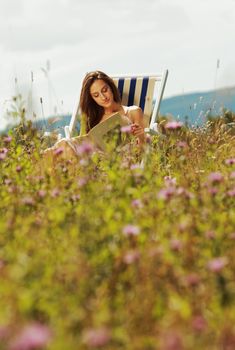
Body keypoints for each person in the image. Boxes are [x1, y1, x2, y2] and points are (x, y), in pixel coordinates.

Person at [43, 70, 146, 161]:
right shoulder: (93, 119)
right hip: (90, 161)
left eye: (105, 90)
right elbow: (84, 145)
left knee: (64, 147)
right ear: (93, 99)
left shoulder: (133, 112)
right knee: (64, 145)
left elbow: (142, 152)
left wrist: (141, 137)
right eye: (96, 95)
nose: (103, 97)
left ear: (111, 87)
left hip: (115, 162)